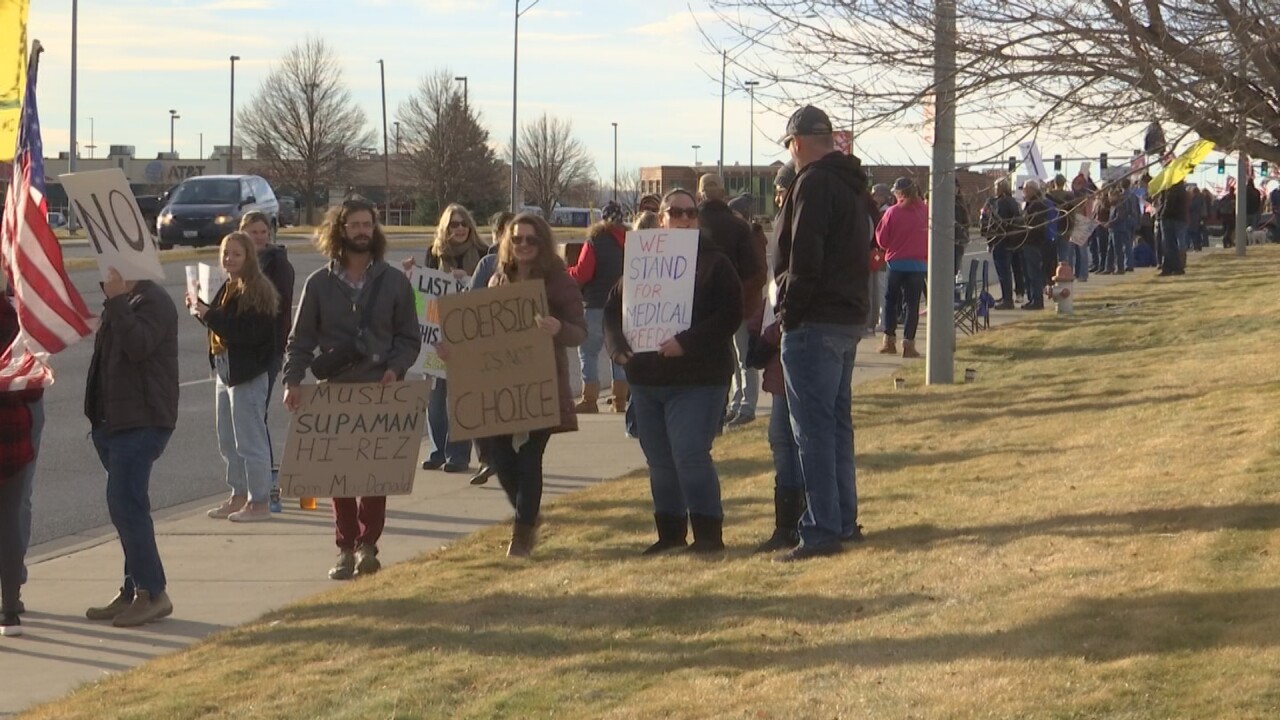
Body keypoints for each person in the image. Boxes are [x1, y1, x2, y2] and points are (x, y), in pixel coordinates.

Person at [284, 197, 421, 580]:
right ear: (340, 231)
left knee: (375, 475)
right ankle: (344, 547)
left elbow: (409, 338)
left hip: (381, 389)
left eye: (368, 224)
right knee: (339, 475)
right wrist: (292, 381)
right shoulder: (319, 284)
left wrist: (395, 369)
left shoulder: (394, 281)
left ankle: (369, 545)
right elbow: (300, 340)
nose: (362, 231)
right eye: (355, 225)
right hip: (336, 391)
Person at [604, 189, 743, 555]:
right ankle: (669, 533)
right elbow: (613, 311)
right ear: (660, 218)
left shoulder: (715, 263)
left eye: (690, 213)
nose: (684, 219)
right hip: (647, 380)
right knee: (660, 460)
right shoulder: (641, 262)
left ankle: (708, 535)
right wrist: (618, 350)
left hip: (698, 379)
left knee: (690, 453)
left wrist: (687, 342)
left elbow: (730, 315)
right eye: (676, 213)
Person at [451, 214, 586, 557]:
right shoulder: (498, 276)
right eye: (517, 239)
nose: (523, 245)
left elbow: (580, 331)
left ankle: (522, 532)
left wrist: (559, 328)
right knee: (501, 458)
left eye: (531, 239)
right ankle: (529, 512)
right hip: (500, 385)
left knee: (529, 458)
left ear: (542, 243)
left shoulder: (559, 280)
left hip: (542, 384)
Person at [773, 105, 871, 562]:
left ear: (796, 143)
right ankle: (842, 520)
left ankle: (821, 529)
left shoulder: (811, 183)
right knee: (835, 427)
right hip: (846, 318)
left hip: (815, 321)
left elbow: (804, 259)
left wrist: (789, 314)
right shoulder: (852, 186)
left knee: (812, 430)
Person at [83, 267, 179, 627]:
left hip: (143, 421)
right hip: (114, 422)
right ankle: (132, 589)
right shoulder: (122, 301)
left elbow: (138, 346)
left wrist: (117, 300)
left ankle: (153, 593)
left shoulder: (154, 301)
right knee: (127, 507)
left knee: (126, 505)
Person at [188, 232, 281, 523]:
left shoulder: (257, 290)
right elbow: (218, 320)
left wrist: (209, 315)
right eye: (226, 253)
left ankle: (259, 501)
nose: (229, 259)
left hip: (248, 373)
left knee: (250, 441)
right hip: (225, 369)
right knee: (228, 440)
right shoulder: (228, 286)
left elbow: (246, 333)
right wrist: (198, 309)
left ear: (249, 257)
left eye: (236, 254)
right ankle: (238, 494)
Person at [412, 204, 488, 473]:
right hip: (436, 336)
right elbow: (424, 292)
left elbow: (489, 292)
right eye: (453, 224)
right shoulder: (434, 254)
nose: (459, 228)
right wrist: (413, 274)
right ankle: (437, 451)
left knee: (461, 397)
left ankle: (458, 455)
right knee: (435, 399)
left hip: (469, 337)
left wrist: (467, 278)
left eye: (463, 224)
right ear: (445, 228)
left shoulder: (482, 253)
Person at [697, 173, 764, 427]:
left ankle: (729, 404)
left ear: (701, 193)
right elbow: (753, 268)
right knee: (743, 356)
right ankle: (744, 405)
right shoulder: (738, 226)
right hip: (738, 299)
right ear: (723, 193)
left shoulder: (693, 224)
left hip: (702, 304)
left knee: (723, 357)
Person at [239, 211, 294, 512]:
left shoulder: (277, 264)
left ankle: (268, 485)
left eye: (262, 232)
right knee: (246, 420)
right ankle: (251, 485)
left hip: (268, 349)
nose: (259, 237)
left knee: (255, 416)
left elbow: (277, 308)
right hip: (239, 352)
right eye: (252, 232)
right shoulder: (236, 263)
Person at [465, 210, 515, 487]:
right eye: (506, 233)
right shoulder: (487, 264)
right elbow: (470, 304)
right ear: (496, 235)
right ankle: (487, 459)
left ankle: (505, 457)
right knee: (477, 403)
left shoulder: (533, 263)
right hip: (487, 344)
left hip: (519, 349)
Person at [567, 201, 627, 415]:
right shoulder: (631, 241)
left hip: (596, 303)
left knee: (588, 351)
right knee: (618, 351)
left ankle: (589, 399)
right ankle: (620, 400)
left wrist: (567, 272)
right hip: (622, 305)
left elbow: (583, 273)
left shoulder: (595, 240)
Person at [0, 295, 37, 636]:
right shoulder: (16, 320)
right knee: (9, 522)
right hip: (11, 432)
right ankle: (10, 609)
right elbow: (34, 390)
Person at [726, 192, 768, 428]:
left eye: (733, 214)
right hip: (733, 307)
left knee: (745, 359)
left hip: (747, 307)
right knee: (734, 359)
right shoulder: (735, 238)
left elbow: (760, 275)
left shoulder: (753, 237)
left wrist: (738, 291)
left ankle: (748, 405)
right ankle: (736, 402)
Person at [876, 177, 929, 357]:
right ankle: (909, 344)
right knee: (912, 304)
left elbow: (882, 240)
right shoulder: (926, 211)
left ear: (899, 193)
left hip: (896, 262)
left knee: (891, 301)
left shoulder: (892, 212)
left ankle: (889, 340)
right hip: (918, 263)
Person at [982, 179, 1024, 309]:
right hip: (1013, 241)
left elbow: (996, 223)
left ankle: (1007, 300)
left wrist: (990, 236)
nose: (994, 189)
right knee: (1010, 270)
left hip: (1001, 241)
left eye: (996, 187)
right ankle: (1008, 296)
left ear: (1001, 188)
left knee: (1004, 271)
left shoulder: (1001, 203)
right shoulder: (1014, 203)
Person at [1018, 180, 1051, 310]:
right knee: (1029, 273)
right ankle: (1032, 298)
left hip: (1034, 242)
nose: (1023, 192)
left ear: (1032, 189)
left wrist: (1023, 223)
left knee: (1034, 273)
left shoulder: (1038, 205)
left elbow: (1034, 224)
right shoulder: (1031, 203)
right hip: (1028, 242)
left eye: (1025, 189)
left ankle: (1037, 300)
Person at [1156, 181, 1188, 276]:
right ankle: (1168, 267)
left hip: (1170, 218)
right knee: (1170, 244)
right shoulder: (1180, 187)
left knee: (1168, 244)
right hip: (1176, 217)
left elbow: (1168, 203)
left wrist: (1161, 215)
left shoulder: (1172, 188)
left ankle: (1176, 267)